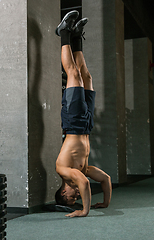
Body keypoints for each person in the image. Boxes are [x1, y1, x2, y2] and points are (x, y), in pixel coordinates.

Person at [54, 10, 112, 218]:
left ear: (63, 191)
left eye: (71, 197)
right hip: (86, 124)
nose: (76, 195)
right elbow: (105, 179)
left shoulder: (64, 170)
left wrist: (84, 210)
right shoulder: (83, 170)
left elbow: (85, 183)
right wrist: (105, 203)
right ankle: (77, 37)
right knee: (86, 76)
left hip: (73, 120)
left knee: (73, 73)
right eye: (77, 199)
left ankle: (63, 33)